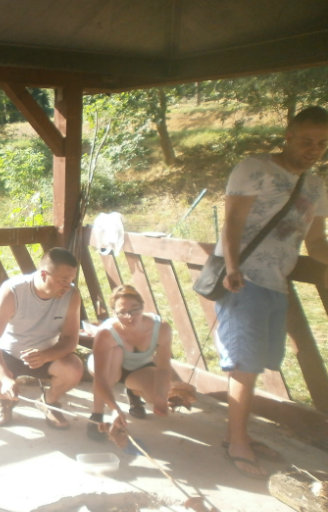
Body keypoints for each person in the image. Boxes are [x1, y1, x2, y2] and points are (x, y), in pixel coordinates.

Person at [216, 105, 328, 479]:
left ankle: (238, 434)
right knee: (243, 364)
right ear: (288, 136)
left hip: (277, 283)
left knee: (259, 362)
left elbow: (316, 241)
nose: (314, 149)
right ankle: (237, 443)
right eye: (307, 140)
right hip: (242, 280)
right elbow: (232, 222)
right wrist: (233, 267)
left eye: (322, 144)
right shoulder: (255, 168)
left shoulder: (316, 185)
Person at [0, 247, 84, 428]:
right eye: (63, 281)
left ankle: (49, 401)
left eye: (71, 281)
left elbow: (70, 340)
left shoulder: (72, 295)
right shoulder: (12, 291)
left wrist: (46, 356)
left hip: (47, 354)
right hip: (9, 353)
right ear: (43, 274)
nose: (68, 286)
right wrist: (5, 378)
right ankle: (5, 401)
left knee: (74, 369)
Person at [86, 285, 194, 441]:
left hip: (137, 367)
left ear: (143, 307)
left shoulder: (161, 328)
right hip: (108, 365)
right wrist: (115, 408)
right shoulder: (106, 333)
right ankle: (97, 415)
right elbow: (101, 378)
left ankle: (134, 393)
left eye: (135, 309)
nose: (130, 316)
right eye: (122, 312)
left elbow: (163, 367)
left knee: (158, 395)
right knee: (116, 353)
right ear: (114, 313)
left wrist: (161, 397)